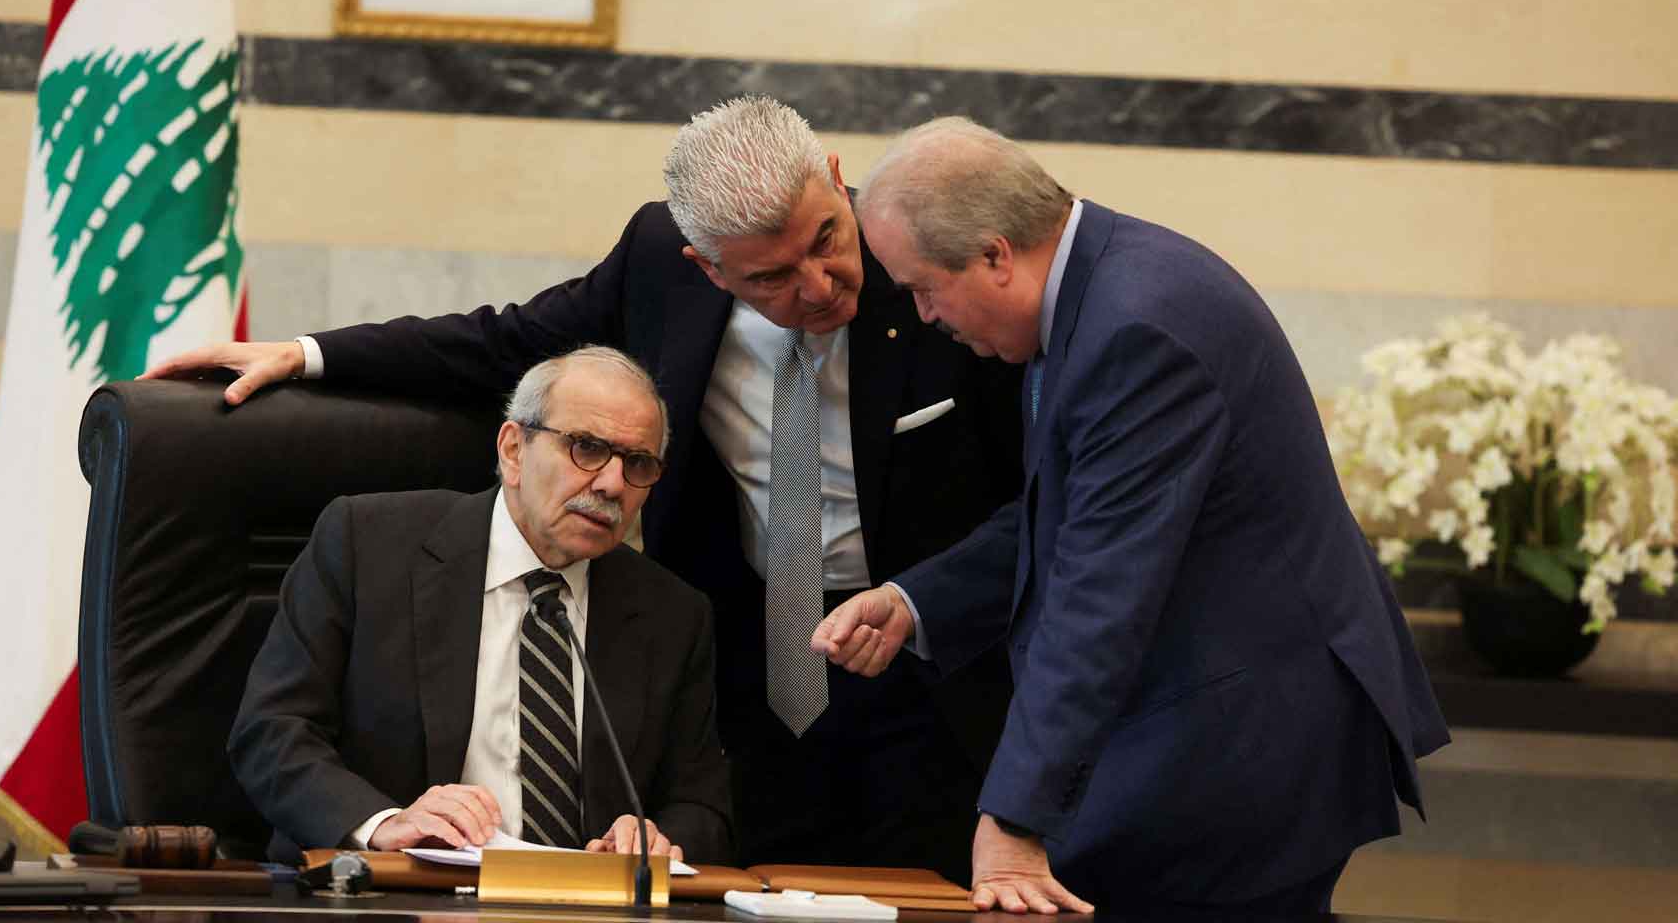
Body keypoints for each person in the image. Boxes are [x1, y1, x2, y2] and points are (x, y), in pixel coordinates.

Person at [148, 98, 1023, 881]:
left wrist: (922, 600)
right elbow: (499, 342)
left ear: (838, 181)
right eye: (771, 279)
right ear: (707, 268)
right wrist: (306, 354)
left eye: (828, 240)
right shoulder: (657, 264)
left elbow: (1042, 491)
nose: (821, 284)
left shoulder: (927, 266)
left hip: (930, 656)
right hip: (754, 652)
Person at [813, 118, 1450, 916]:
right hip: (1202, 725)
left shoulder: (1138, 330)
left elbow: (1100, 594)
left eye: (922, 288)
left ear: (995, 256)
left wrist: (1014, 816)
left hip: (1243, 746)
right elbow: (1071, 511)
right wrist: (918, 600)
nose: (924, 315)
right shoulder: (1099, 291)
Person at [229, 346, 732, 863]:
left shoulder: (672, 613)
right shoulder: (368, 546)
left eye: (638, 464)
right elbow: (272, 732)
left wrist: (656, 837)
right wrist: (384, 824)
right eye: (586, 448)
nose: (611, 484)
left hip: (583, 904)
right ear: (514, 450)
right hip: (399, 892)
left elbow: (701, 804)